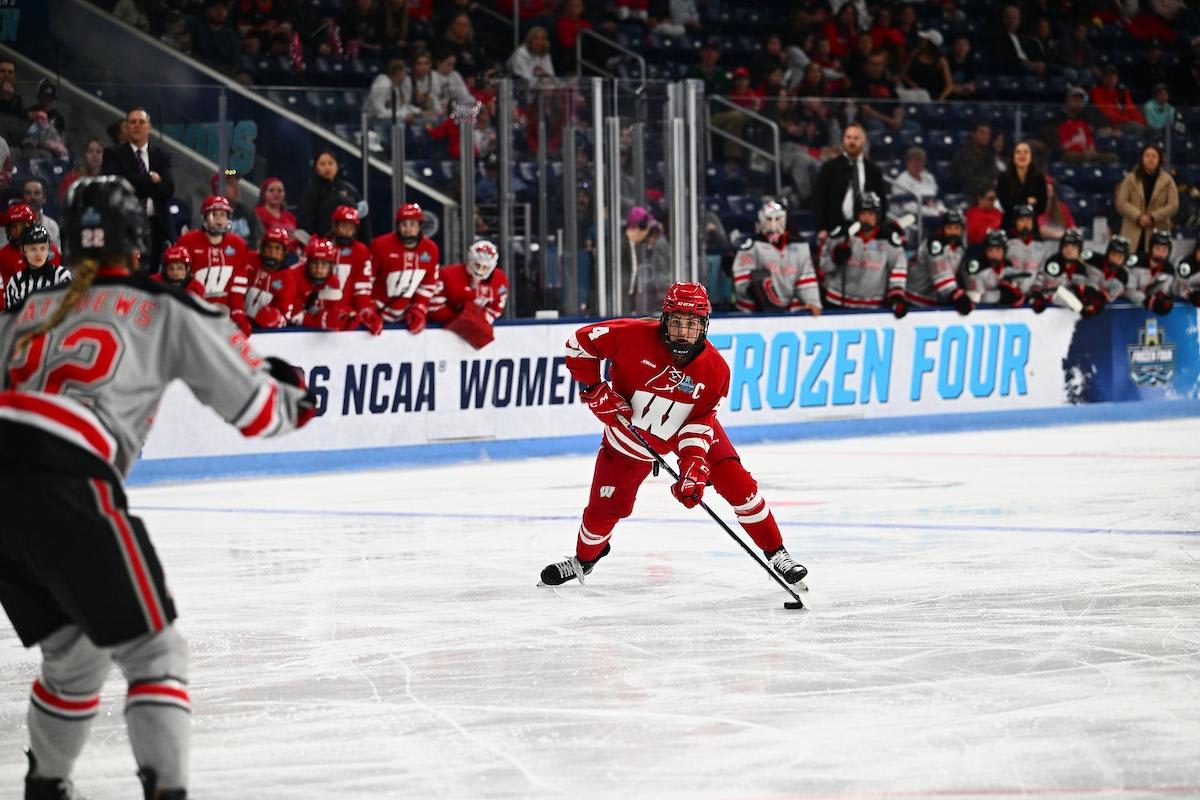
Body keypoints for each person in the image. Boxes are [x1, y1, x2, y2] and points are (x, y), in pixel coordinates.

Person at [0, 175, 313, 800]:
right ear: (135, 237)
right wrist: (297, 398)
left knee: (76, 653)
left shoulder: (21, 311)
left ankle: (47, 786)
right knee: (155, 654)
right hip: (67, 481)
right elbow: (258, 411)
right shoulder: (164, 306)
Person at [539, 281, 807, 588]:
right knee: (604, 511)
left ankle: (777, 554)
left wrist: (693, 466)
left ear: (704, 326)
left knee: (737, 483)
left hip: (685, 429)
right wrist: (594, 388)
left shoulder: (716, 371)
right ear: (665, 319)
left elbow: (699, 423)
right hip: (629, 437)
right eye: (677, 321)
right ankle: (584, 560)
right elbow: (579, 343)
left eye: (692, 324)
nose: (683, 332)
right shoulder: (632, 335)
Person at [101, 107, 175, 268]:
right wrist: (149, 179)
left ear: (149, 127)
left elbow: (168, 189)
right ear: (126, 127)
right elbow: (115, 185)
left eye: (141, 122)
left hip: (157, 228)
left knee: (154, 275)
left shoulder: (161, 156)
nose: (137, 125)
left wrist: (134, 184)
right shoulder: (113, 154)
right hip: (125, 227)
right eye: (133, 122)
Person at [821, 192, 909, 316]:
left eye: (871, 214)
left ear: (878, 216)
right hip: (837, 301)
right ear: (856, 215)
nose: (867, 218)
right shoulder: (841, 235)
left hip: (872, 306)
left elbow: (898, 268)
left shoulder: (889, 240)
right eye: (863, 214)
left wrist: (897, 296)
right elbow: (823, 267)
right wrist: (835, 258)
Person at [175, 195, 252, 336]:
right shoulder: (187, 242)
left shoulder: (238, 245)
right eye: (214, 214)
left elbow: (238, 283)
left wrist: (237, 311)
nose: (219, 219)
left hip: (224, 314)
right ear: (204, 217)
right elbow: (176, 279)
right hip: (193, 312)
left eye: (223, 214)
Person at [731, 201, 821, 315]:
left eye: (778, 219)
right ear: (761, 219)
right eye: (769, 219)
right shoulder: (751, 247)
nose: (773, 224)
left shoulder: (800, 245)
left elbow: (806, 278)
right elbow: (742, 285)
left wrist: (813, 302)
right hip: (755, 313)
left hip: (792, 312)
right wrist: (758, 292)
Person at [813, 122, 888, 242]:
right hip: (836, 229)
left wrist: (879, 228)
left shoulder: (873, 170)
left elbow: (881, 201)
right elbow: (820, 200)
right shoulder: (829, 168)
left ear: (863, 141)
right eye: (848, 137)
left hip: (866, 231)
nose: (851, 142)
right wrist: (822, 228)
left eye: (856, 138)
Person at [370, 202, 439, 333]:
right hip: (377, 310)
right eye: (404, 224)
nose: (408, 229)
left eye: (413, 224)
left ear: (419, 226)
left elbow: (428, 285)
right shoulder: (380, 245)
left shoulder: (431, 249)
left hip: (407, 315)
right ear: (398, 225)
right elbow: (367, 281)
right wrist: (368, 309)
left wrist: (418, 309)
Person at [428, 239, 509, 347]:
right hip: (438, 335)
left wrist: (477, 322)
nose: (479, 271)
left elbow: (496, 308)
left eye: (485, 267)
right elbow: (433, 305)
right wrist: (458, 320)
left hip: (473, 337)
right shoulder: (447, 274)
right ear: (470, 260)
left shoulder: (500, 280)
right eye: (477, 265)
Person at [327, 205, 383, 335]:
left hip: (348, 315)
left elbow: (362, 290)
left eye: (351, 228)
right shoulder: (320, 248)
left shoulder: (361, 251)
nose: (347, 231)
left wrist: (365, 311)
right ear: (335, 226)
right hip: (321, 314)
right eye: (344, 226)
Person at [1115, 144, 1179, 257]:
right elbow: (1121, 202)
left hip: (1158, 229)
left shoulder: (1168, 181)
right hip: (1133, 228)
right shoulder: (1130, 179)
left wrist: (1153, 217)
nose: (1150, 159)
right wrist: (1138, 216)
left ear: (1160, 160)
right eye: (1147, 155)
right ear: (1142, 158)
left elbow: (1173, 204)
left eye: (1154, 156)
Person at [297, 149, 370, 244]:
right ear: (316, 168)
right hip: (322, 246)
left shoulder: (350, 189)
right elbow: (305, 221)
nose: (327, 167)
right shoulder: (311, 191)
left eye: (330, 163)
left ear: (337, 165)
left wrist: (366, 244)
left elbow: (363, 221)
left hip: (351, 245)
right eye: (322, 164)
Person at [906, 208, 972, 312]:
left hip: (934, 300)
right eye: (949, 227)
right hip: (914, 298)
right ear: (943, 228)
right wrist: (959, 296)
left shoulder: (960, 247)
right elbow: (941, 275)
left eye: (956, 228)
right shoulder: (934, 243)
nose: (953, 232)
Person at [1029, 228, 1103, 316]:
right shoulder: (1052, 262)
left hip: (1073, 314)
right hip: (1051, 311)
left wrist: (1088, 295)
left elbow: (1093, 287)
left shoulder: (1084, 266)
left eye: (1073, 247)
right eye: (1066, 246)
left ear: (1079, 249)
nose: (1069, 250)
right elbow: (1048, 289)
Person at [3, 225, 71, 309]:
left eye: (43, 248)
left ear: (48, 250)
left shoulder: (62, 276)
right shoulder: (15, 282)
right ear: (23, 251)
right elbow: (10, 315)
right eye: (33, 249)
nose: (38, 254)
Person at [243, 227, 296, 329]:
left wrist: (273, 317)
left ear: (284, 253)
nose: (272, 252)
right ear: (262, 249)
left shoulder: (288, 280)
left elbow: (284, 315)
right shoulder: (249, 260)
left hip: (262, 332)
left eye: (277, 248)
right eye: (269, 247)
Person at [962, 229, 1026, 308]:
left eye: (998, 249)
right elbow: (976, 298)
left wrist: (1016, 296)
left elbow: (1020, 296)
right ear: (985, 251)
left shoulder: (1009, 269)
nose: (994, 254)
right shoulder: (976, 269)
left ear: (1004, 251)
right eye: (990, 250)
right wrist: (1000, 295)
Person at [996, 141, 1047, 233]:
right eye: (1018, 152)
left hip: (1032, 228)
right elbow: (1006, 204)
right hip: (1009, 226)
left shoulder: (1039, 178)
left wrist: (1016, 200)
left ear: (1031, 156)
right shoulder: (1003, 178)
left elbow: (1042, 207)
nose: (1022, 155)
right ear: (1013, 156)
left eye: (1026, 152)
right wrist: (1028, 201)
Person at [1090, 65, 1146, 137]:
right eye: (1108, 75)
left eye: (1113, 76)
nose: (1111, 78)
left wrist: (1142, 122)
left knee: (1145, 128)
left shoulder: (1122, 92)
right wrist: (1126, 119)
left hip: (1125, 123)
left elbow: (1131, 110)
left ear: (1117, 78)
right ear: (1103, 78)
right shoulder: (1096, 92)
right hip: (1109, 124)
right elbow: (1105, 112)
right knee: (1137, 128)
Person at [891, 146, 944, 222]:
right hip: (911, 218)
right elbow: (908, 207)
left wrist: (942, 210)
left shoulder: (929, 177)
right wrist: (935, 213)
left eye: (921, 161)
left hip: (933, 215)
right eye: (915, 161)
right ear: (908, 163)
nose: (918, 164)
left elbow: (937, 199)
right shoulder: (900, 181)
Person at [210, 170, 262, 245]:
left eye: (236, 183)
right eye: (231, 184)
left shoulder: (247, 213)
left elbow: (260, 239)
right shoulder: (210, 215)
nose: (236, 187)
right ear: (218, 189)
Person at [951, 122, 998, 202]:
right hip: (969, 193)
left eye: (988, 134)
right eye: (982, 133)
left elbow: (994, 174)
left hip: (989, 191)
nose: (986, 136)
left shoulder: (989, 154)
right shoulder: (963, 153)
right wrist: (988, 183)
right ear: (973, 135)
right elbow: (965, 178)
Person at [1005, 204, 1045, 295]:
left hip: (1033, 294)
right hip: (1010, 293)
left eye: (1028, 220)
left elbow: (1042, 271)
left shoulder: (1040, 245)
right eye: (1022, 220)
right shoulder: (1006, 243)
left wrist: (1036, 287)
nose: (1026, 224)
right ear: (1015, 222)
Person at [902, 30, 952, 101]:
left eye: (925, 40)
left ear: (930, 44)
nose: (922, 41)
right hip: (911, 92)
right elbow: (904, 74)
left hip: (931, 96)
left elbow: (949, 85)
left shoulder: (941, 61)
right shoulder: (915, 53)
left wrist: (940, 99)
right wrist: (912, 84)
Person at [18, 178, 62, 250]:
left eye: (37, 193)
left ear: (44, 198)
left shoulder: (52, 226)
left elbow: (57, 254)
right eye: (28, 193)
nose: (32, 197)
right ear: (23, 198)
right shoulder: (14, 226)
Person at [59, 137, 105, 204]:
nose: (94, 154)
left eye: (98, 151)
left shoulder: (106, 181)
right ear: (85, 155)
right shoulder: (71, 179)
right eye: (90, 151)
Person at [254, 177, 297, 242]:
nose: (276, 194)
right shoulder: (257, 214)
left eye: (279, 191)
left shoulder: (290, 217)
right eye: (271, 190)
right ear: (264, 194)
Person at [1172, 237, 1200, 307]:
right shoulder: (1185, 264)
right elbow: (1179, 287)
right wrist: (1192, 295)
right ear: (1196, 251)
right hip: (1180, 302)